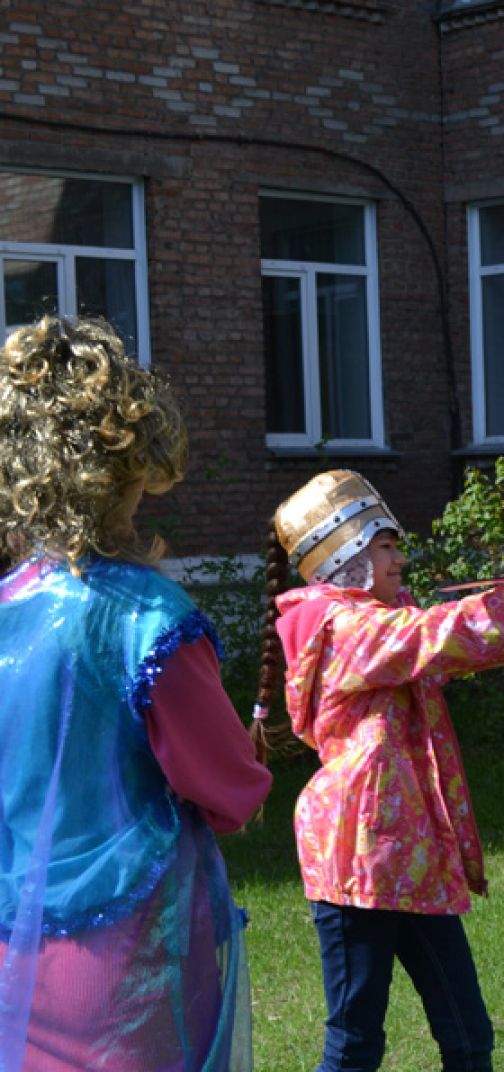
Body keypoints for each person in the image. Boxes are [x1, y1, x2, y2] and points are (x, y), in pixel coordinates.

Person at [254, 469, 504, 1072]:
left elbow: (486, 640)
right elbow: (450, 629)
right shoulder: (346, 631)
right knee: (355, 1045)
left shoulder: (381, 622)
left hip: (413, 857)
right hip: (354, 863)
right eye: (385, 545)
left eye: (396, 544)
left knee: (469, 1037)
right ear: (345, 556)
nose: (400, 557)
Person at [0, 315, 271, 1070]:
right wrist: (244, 770)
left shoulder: (6, 605)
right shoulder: (149, 618)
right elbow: (227, 789)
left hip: (11, 949)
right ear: (130, 463)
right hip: (125, 954)